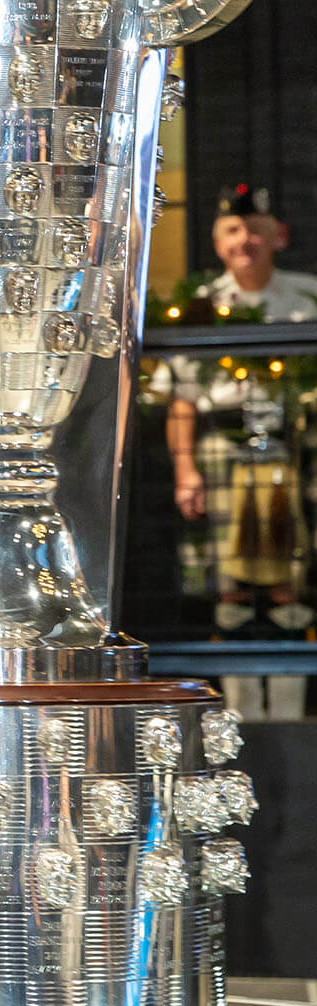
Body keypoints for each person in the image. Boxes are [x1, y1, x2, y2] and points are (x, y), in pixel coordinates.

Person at [162, 185, 317, 720]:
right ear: (217, 242)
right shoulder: (202, 303)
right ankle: (243, 718)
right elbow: (180, 402)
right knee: (228, 593)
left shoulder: (309, 298)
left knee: (289, 588)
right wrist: (185, 473)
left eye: (255, 228)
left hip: (292, 453)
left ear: (279, 235)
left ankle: (291, 716)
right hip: (221, 452)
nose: (245, 239)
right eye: (232, 230)